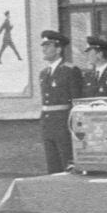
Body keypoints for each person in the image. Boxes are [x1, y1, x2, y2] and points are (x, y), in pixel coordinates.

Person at [39, 30, 81, 173]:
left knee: (66, 163)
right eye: (43, 46)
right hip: (48, 123)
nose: (44, 49)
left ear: (58, 49)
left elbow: (76, 100)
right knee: (52, 166)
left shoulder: (70, 70)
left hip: (63, 123)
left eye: (48, 46)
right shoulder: (44, 73)